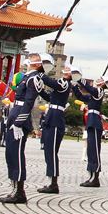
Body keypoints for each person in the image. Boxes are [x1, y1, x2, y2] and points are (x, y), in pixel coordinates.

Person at [0, 54, 60, 203]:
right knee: (10, 154)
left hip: (20, 116)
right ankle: (14, 188)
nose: (30, 58)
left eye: (34, 58)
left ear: (38, 64)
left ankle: (20, 192)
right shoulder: (28, 77)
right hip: (15, 113)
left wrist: (19, 123)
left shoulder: (34, 78)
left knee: (17, 155)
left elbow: (29, 102)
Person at [37, 56, 76, 194]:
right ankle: (51, 181)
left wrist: (40, 73)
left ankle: (54, 184)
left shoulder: (65, 83)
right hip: (51, 117)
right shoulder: (61, 84)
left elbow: (53, 83)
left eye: (69, 70)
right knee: (48, 151)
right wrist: (40, 90)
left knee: (52, 152)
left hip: (55, 119)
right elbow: (50, 98)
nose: (66, 70)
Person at [72, 72, 108, 188]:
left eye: (100, 79)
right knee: (90, 150)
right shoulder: (93, 94)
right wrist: (74, 86)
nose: (97, 79)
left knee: (94, 150)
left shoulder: (99, 91)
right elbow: (81, 97)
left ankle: (95, 177)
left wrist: (79, 79)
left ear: (103, 83)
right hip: (91, 122)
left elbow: (89, 88)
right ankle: (91, 176)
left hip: (95, 122)